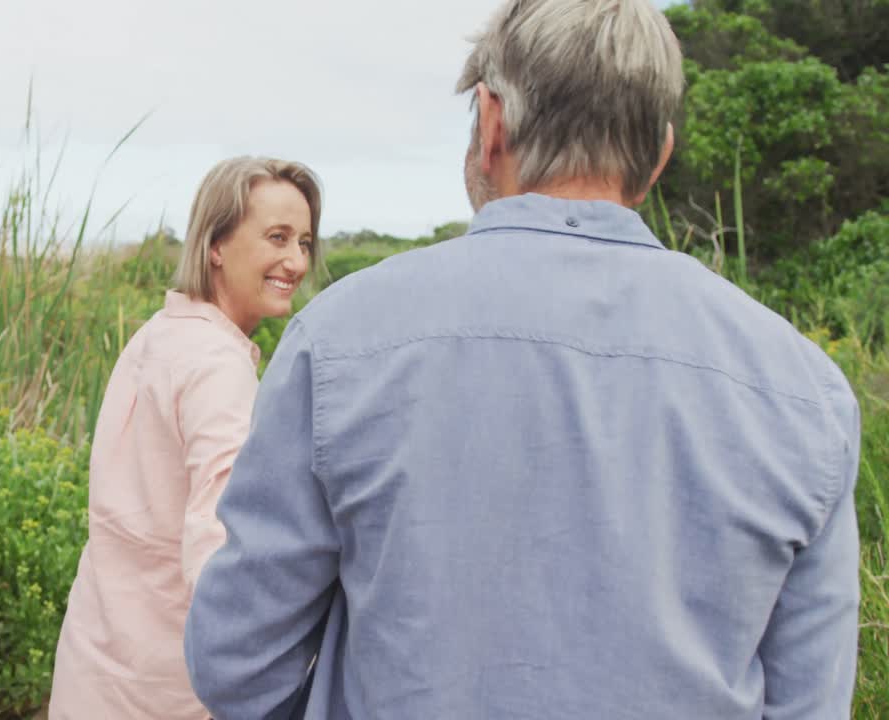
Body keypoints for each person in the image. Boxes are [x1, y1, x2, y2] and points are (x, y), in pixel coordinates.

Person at [184, 1, 862, 717]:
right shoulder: (807, 392)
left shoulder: (338, 340)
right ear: (660, 152)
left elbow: (238, 662)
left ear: (492, 122)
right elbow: (810, 700)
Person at [48, 156, 323, 719]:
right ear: (215, 244)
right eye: (276, 237)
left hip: (94, 664)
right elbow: (221, 535)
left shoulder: (158, 334)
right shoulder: (218, 367)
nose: (296, 260)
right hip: (169, 689)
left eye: (304, 241)